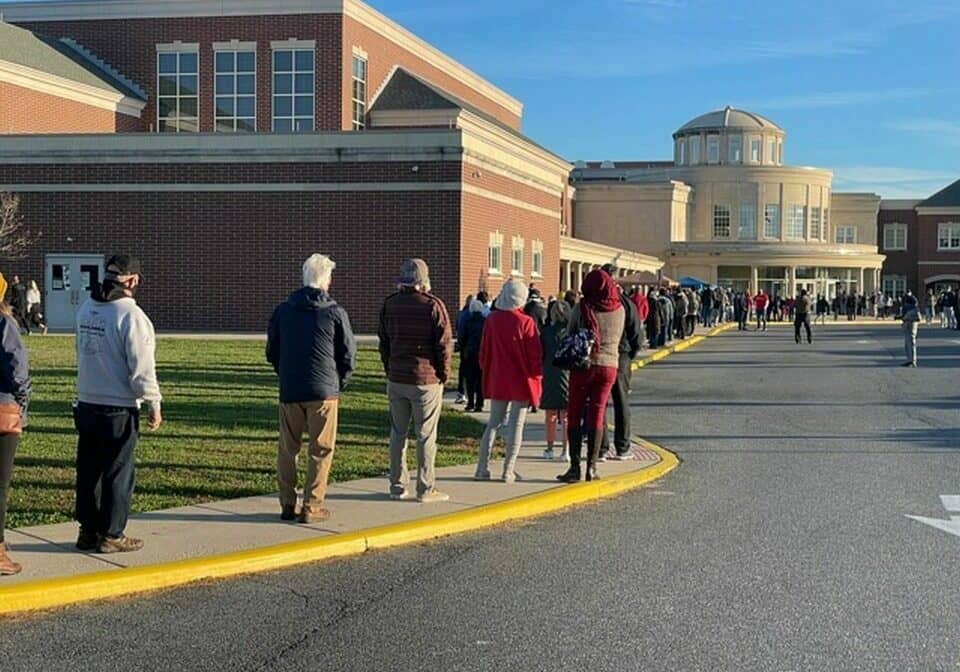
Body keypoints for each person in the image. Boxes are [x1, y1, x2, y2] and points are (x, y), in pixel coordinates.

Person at [74, 255, 162, 554]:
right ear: (133, 280)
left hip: (86, 400)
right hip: (118, 406)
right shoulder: (131, 315)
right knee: (117, 472)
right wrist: (153, 401)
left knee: (89, 470)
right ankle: (112, 534)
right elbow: (142, 366)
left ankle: (87, 530)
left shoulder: (87, 307)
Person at [266, 254, 356, 524]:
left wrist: (284, 373)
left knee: (287, 449)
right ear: (326, 280)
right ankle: (312, 506)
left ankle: (287, 503)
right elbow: (348, 354)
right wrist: (340, 381)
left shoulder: (283, 310)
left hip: (290, 389)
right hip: (324, 391)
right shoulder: (335, 313)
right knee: (320, 450)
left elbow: (272, 350)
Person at [378, 258, 452, 503]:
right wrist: (444, 374)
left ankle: (397, 486)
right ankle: (425, 487)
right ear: (424, 280)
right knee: (425, 435)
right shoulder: (433, 305)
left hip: (397, 376)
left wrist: (389, 367)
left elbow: (384, 341)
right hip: (425, 378)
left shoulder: (389, 304)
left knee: (398, 433)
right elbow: (443, 345)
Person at [557, 270, 625, 483]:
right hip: (609, 365)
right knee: (598, 411)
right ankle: (592, 467)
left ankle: (575, 466)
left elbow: (570, 333)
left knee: (575, 411)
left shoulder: (582, 307)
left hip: (583, 364)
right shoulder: (620, 309)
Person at [474, 279, 542, 483]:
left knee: (493, 424)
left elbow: (484, 352)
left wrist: (487, 369)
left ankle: (481, 468)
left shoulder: (492, 320)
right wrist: (537, 379)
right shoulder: (526, 322)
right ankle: (508, 470)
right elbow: (534, 357)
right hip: (521, 380)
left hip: (498, 377)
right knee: (516, 425)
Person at [0, 272, 30, 576]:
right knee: (0, 484)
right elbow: (17, 368)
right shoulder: (4, 324)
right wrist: (22, 403)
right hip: (1, 409)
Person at [540, 300, 570, 461]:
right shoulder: (570, 332)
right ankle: (566, 450)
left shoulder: (546, 332)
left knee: (550, 414)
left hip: (550, 373)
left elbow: (540, 354)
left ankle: (550, 448)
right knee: (566, 415)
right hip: (568, 373)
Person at [457, 299, 486, 412]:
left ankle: (470, 403)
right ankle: (480, 403)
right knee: (480, 380)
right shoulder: (486, 322)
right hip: (482, 353)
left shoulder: (468, 321)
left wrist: (462, 348)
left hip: (469, 353)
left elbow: (462, 337)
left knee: (470, 380)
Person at [454, 295, 474, 405]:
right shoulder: (470, 315)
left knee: (462, 371)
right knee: (470, 372)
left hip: (463, 346)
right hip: (470, 346)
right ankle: (467, 394)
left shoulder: (461, 314)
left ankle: (461, 393)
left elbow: (458, 328)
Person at [901, 290, 920, 367]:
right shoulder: (905, 300)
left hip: (912, 322)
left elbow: (916, 311)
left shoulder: (913, 300)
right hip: (907, 321)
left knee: (911, 341)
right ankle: (909, 360)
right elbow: (904, 312)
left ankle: (913, 361)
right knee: (907, 343)